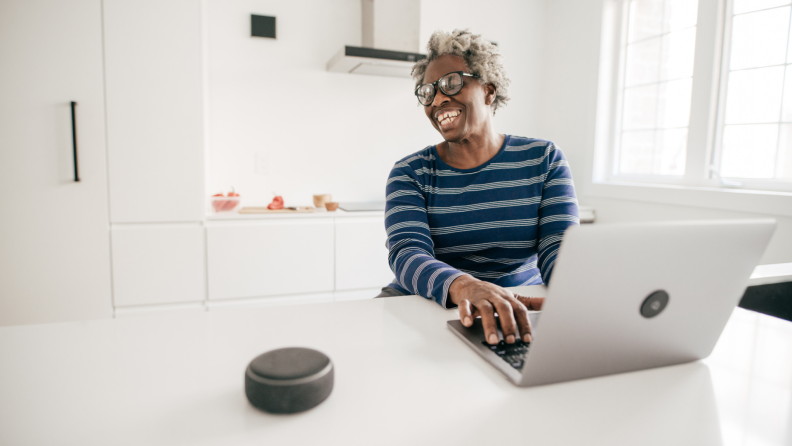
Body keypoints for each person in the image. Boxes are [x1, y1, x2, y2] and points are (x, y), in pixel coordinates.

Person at [378, 29, 579, 346]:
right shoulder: (410, 172)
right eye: (428, 92)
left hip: (520, 303)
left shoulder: (543, 159)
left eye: (452, 83)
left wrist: (580, 297)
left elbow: (560, 249)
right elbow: (408, 254)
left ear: (488, 90)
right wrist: (464, 286)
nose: (438, 99)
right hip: (426, 302)